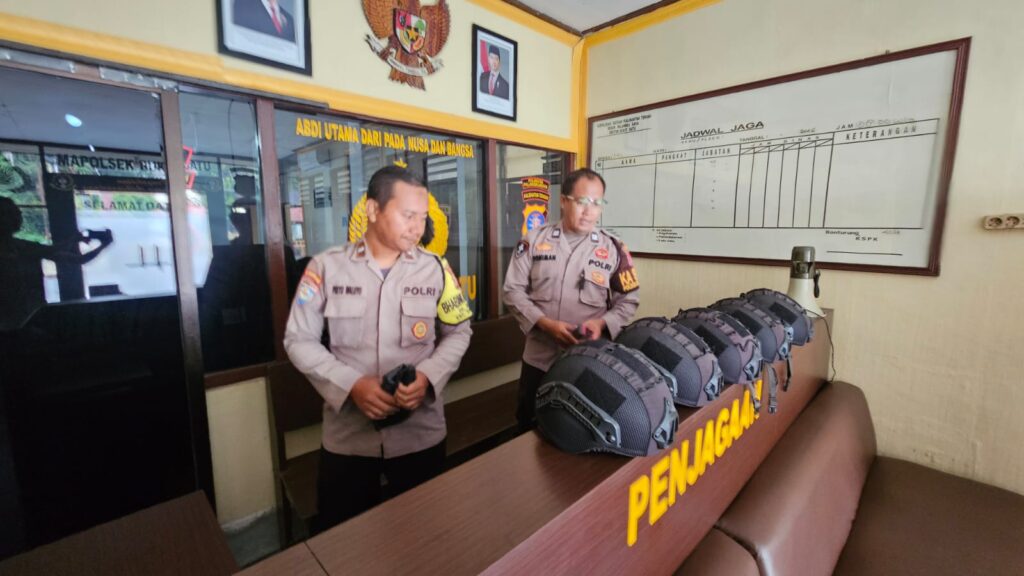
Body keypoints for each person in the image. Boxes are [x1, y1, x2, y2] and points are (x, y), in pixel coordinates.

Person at [284, 166, 472, 531]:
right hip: (349, 442)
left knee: (425, 535)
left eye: (423, 217)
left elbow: (460, 332)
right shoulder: (326, 267)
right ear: (373, 210)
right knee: (344, 540)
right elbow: (298, 338)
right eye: (408, 215)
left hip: (420, 435)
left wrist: (428, 378)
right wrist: (351, 384)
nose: (417, 227)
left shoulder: (436, 269)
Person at [502, 168, 640, 431]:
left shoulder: (614, 248)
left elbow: (629, 299)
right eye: (582, 202)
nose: (589, 211)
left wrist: (602, 323)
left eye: (597, 203)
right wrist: (544, 324)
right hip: (539, 360)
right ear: (564, 201)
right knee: (529, 426)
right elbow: (512, 291)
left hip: (590, 360)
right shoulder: (533, 240)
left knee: (584, 429)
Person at [0, 196, 113, 331]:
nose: (19, 216)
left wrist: (102, 245)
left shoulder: (24, 247)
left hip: (31, 318)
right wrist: (100, 244)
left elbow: (78, 259)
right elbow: (74, 258)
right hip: (26, 320)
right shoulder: (24, 247)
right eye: (12, 213)